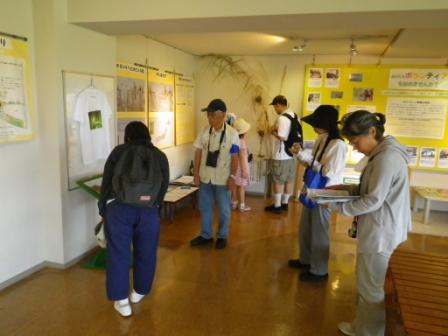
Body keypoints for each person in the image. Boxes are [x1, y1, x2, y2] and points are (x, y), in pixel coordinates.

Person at [329, 111, 411, 336]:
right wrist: (345, 191)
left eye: (356, 142)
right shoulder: (382, 154)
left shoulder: (387, 158)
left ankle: (369, 333)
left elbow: (374, 199)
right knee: (367, 284)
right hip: (380, 228)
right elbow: (372, 190)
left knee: (371, 288)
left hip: (381, 232)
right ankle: (362, 326)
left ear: (372, 132)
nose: (355, 148)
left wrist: (340, 207)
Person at [98, 121, 169, 317]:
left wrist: (104, 209)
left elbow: (106, 182)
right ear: (148, 136)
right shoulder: (159, 156)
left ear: (127, 136)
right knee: (146, 253)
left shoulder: (118, 152)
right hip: (148, 212)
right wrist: (155, 206)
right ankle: (139, 292)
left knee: (118, 254)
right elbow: (163, 186)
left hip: (119, 210)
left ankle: (122, 303)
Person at [288, 105, 347, 282]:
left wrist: (305, 156)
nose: (314, 126)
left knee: (320, 231)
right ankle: (306, 260)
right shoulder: (322, 139)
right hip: (313, 189)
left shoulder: (338, 145)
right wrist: (300, 155)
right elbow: (313, 164)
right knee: (306, 227)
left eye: (316, 122)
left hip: (326, 191)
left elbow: (328, 172)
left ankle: (319, 271)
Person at [190, 99, 240, 249]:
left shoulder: (232, 134)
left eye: (212, 114)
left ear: (223, 115)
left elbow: (235, 157)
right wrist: (196, 174)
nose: (209, 118)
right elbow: (198, 152)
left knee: (224, 210)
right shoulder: (204, 131)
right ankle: (206, 235)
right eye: (208, 114)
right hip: (206, 177)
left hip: (223, 179)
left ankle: (222, 236)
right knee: (204, 207)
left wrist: (232, 177)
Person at [265, 95, 302, 214]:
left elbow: (282, 137)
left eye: (275, 107)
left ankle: (277, 206)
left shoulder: (282, 118)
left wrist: (272, 132)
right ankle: (285, 203)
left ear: (279, 105)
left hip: (281, 155)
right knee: (289, 180)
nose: (275, 110)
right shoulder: (295, 116)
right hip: (291, 155)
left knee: (278, 180)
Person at [231, 118, 252, 212]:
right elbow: (243, 158)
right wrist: (245, 171)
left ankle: (234, 202)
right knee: (242, 186)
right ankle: (242, 205)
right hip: (241, 167)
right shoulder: (242, 142)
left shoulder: (234, 141)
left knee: (235, 185)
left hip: (234, 167)